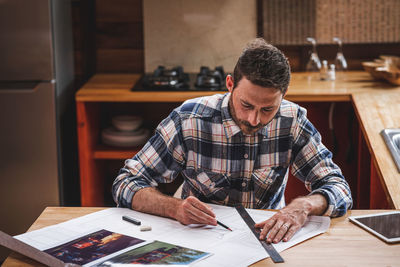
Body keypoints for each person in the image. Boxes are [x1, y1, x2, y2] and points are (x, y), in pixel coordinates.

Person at [112, 38, 352, 244]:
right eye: (246, 105)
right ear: (229, 85)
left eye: (268, 109)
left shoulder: (292, 122)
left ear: (283, 95)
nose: (254, 119)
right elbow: (126, 183)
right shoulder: (189, 120)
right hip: (197, 239)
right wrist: (173, 207)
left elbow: (338, 187)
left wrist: (303, 207)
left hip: (265, 239)